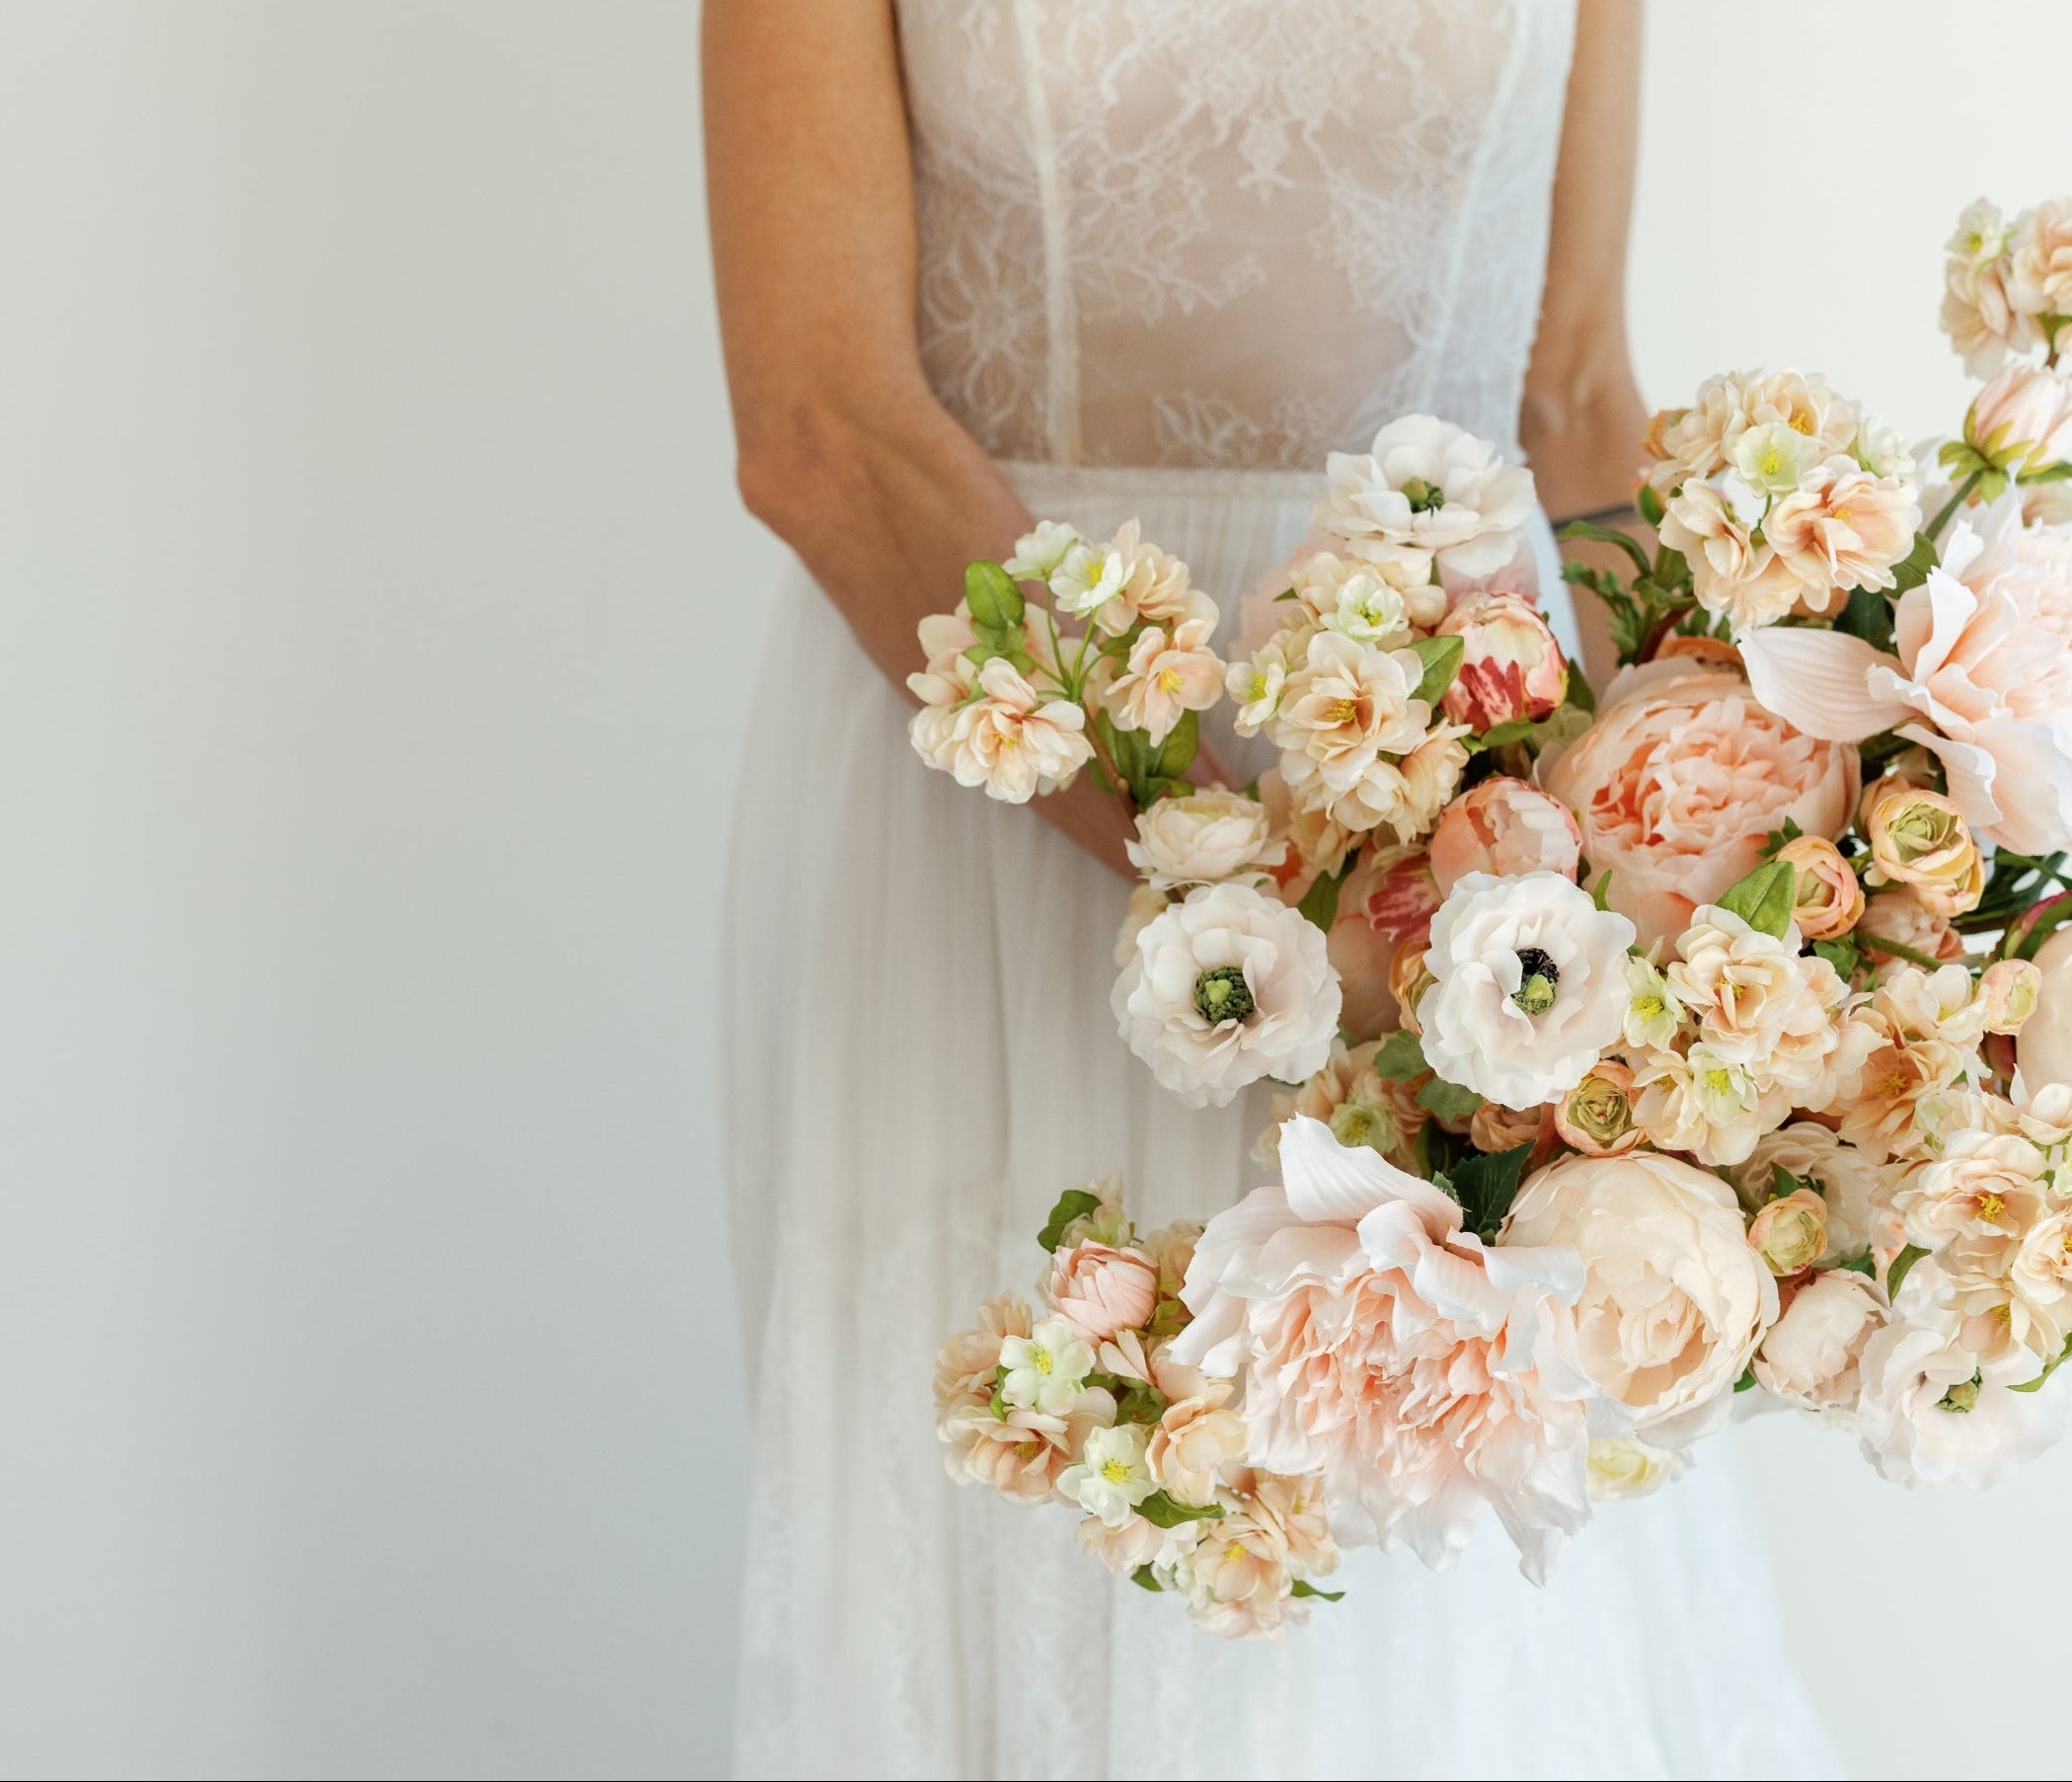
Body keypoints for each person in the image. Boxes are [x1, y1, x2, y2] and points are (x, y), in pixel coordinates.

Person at [704, 3, 1840, 1774]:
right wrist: (1258, 894)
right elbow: (824, 426)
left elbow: (1579, 388)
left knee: (1456, 1605)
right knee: (1062, 1514)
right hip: (1003, 772)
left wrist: (1715, 882)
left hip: (1472, 841)